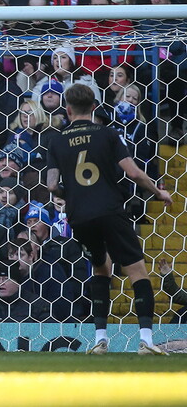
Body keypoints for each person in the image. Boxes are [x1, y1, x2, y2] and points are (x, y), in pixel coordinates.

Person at [46, 84, 172, 355]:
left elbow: (52, 184)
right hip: (110, 210)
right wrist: (158, 192)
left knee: (101, 268)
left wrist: (74, 194)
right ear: (93, 108)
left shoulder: (57, 140)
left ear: (67, 110)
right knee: (137, 270)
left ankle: (100, 340)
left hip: (79, 217)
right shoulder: (108, 134)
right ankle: (146, 341)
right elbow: (134, 173)